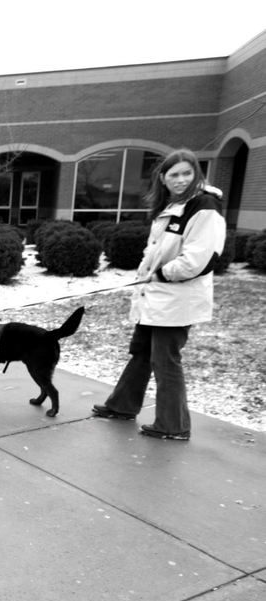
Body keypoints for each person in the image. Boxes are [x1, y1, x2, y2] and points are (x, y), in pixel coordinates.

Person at [92, 149, 226, 440]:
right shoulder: (172, 206)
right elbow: (156, 250)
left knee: (166, 360)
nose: (180, 180)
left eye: (186, 173)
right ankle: (122, 406)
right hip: (155, 296)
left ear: (197, 175)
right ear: (163, 178)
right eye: (173, 174)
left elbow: (199, 259)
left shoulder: (204, 207)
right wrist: (146, 275)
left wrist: (163, 273)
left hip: (177, 299)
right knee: (141, 352)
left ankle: (173, 425)